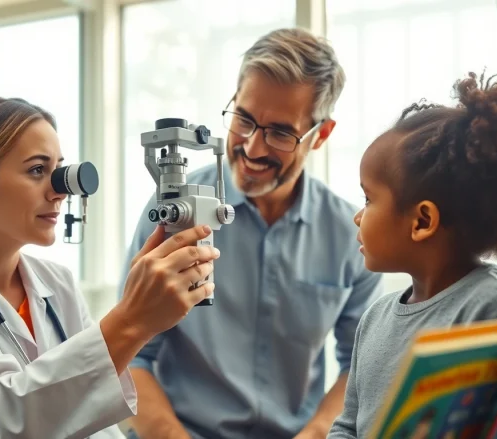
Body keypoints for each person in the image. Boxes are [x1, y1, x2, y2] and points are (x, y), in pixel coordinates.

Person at [0, 86, 220, 438]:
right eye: (36, 170)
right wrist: (133, 319)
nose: (61, 189)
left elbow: (90, 420)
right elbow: (0, 421)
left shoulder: (57, 283)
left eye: (59, 169)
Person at [119, 28, 383, 439]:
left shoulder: (351, 234)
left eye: (280, 132)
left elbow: (358, 367)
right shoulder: (173, 210)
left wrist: (315, 434)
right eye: (243, 120)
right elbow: (131, 353)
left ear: (321, 135)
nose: (253, 148)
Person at [327, 71, 497, 438]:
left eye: (369, 198)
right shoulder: (376, 318)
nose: (358, 215)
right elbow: (347, 426)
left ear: (422, 220)